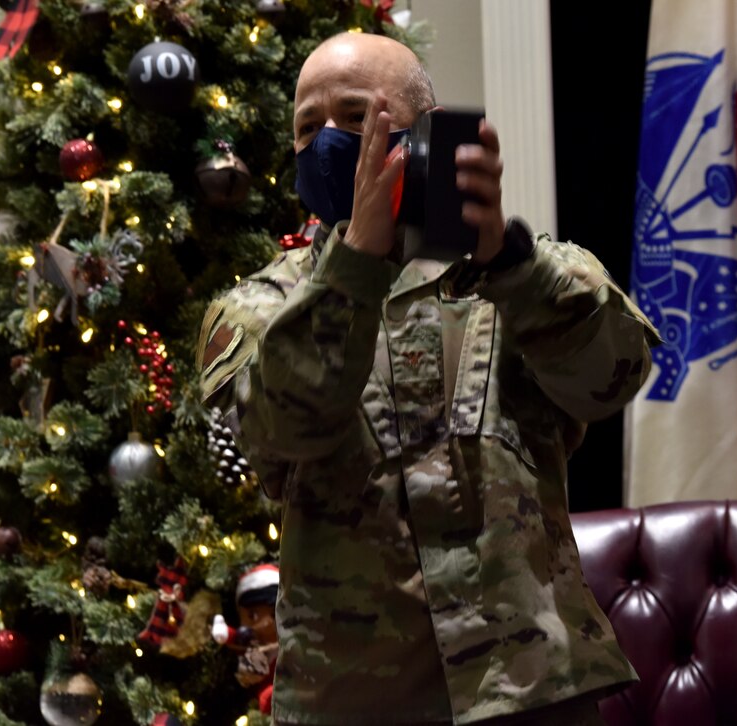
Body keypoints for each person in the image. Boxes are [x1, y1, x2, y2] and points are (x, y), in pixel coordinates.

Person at [198, 32, 660, 726]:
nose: (327, 140)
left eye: (356, 118)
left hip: (531, 693)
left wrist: (513, 263)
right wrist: (354, 263)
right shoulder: (256, 309)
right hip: (354, 702)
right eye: (306, 127)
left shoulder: (533, 277)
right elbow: (282, 428)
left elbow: (612, 379)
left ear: (427, 136)